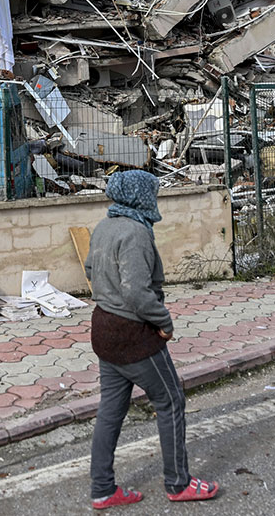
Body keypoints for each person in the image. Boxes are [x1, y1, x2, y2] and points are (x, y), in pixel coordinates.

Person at [85, 170, 219, 510]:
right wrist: (164, 323)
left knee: (110, 412)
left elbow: (89, 270)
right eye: (153, 193)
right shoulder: (136, 232)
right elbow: (138, 293)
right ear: (141, 196)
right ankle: (178, 483)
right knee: (170, 401)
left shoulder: (104, 226)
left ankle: (102, 489)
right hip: (133, 334)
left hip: (103, 329)